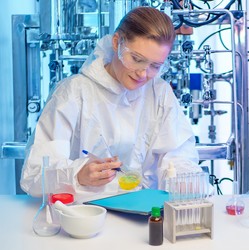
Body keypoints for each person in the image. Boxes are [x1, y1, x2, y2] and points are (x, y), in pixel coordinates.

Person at [20, 7, 201, 197]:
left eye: (155, 66)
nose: (142, 73)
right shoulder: (74, 92)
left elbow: (179, 157)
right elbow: (33, 175)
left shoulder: (159, 92)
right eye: (136, 59)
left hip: (143, 216)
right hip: (83, 218)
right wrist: (77, 175)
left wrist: (185, 182)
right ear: (117, 43)